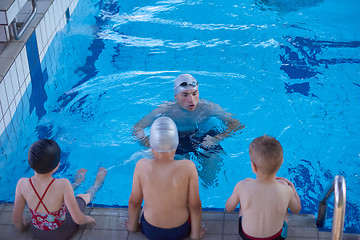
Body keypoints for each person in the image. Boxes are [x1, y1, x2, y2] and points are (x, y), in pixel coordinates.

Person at [133, 73, 245, 186]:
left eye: (194, 93)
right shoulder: (166, 109)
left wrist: (216, 139)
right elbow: (137, 128)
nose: (191, 99)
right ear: (176, 97)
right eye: (185, 95)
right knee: (176, 181)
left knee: (209, 179)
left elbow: (237, 124)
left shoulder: (208, 108)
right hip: (177, 141)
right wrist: (150, 145)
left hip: (204, 138)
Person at [11, 139, 107, 240]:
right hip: (61, 233)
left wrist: (24, 227)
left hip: (37, 232)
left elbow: (16, 220)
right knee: (80, 197)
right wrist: (88, 219)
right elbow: (78, 219)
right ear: (56, 166)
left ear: (30, 162)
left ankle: (78, 182)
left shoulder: (22, 183)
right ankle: (95, 186)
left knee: (62, 193)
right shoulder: (63, 183)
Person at [126, 117, 204, 240]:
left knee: (146, 206)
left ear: (151, 146)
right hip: (180, 230)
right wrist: (195, 234)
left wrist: (133, 227)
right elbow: (195, 205)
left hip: (151, 230)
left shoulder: (142, 166)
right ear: (176, 145)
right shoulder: (188, 166)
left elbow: (134, 202)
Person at [225, 135, 301, 240]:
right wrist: (292, 187)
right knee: (285, 201)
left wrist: (242, 193)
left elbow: (228, 208)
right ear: (281, 163)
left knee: (244, 198)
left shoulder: (242, 186)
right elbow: (297, 210)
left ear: (253, 166)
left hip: (247, 236)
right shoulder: (286, 190)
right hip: (277, 237)